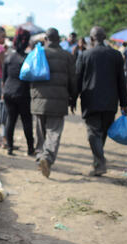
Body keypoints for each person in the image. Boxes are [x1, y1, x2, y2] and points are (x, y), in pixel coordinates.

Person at [75, 26, 127, 176]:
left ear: (92, 39)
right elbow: (121, 82)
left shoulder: (85, 55)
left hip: (91, 101)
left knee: (93, 133)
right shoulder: (116, 55)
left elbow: (77, 80)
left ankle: (100, 163)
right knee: (102, 133)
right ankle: (98, 163)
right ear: (104, 38)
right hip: (110, 103)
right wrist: (124, 103)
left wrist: (73, 99)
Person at [31, 28, 77, 178]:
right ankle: (47, 158)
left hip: (38, 99)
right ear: (59, 39)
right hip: (59, 99)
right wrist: (73, 99)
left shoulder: (38, 53)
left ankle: (40, 156)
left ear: (46, 39)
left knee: (40, 131)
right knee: (53, 132)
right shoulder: (67, 56)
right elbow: (73, 80)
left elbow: (27, 75)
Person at [2, 28, 35, 156]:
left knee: (11, 120)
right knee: (27, 120)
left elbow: (4, 78)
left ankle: (9, 147)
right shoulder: (28, 58)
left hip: (9, 92)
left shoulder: (8, 56)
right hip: (23, 93)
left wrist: (4, 91)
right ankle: (30, 148)